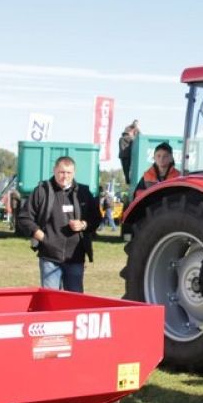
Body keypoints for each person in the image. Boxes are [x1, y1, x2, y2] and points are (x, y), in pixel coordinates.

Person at [17, 156, 100, 293]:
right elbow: (24, 218)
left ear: (74, 173)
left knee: (75, 301)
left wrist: (83, 224)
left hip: (75, 257)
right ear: (54, 170)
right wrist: (43, 237)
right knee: (50, 299)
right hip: (49, 257)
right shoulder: (42, 191)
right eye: (61, 172)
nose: (65, 176)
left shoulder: (83, 192)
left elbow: (96, 218)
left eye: (69, 173)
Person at [119, 121, 138, 185]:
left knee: (125, 171)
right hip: (128, 156)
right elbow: (140, 136)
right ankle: (128, 180)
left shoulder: (121, 139)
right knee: (129, 170)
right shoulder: (130, 139)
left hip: (122, 156)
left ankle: (127, 180)